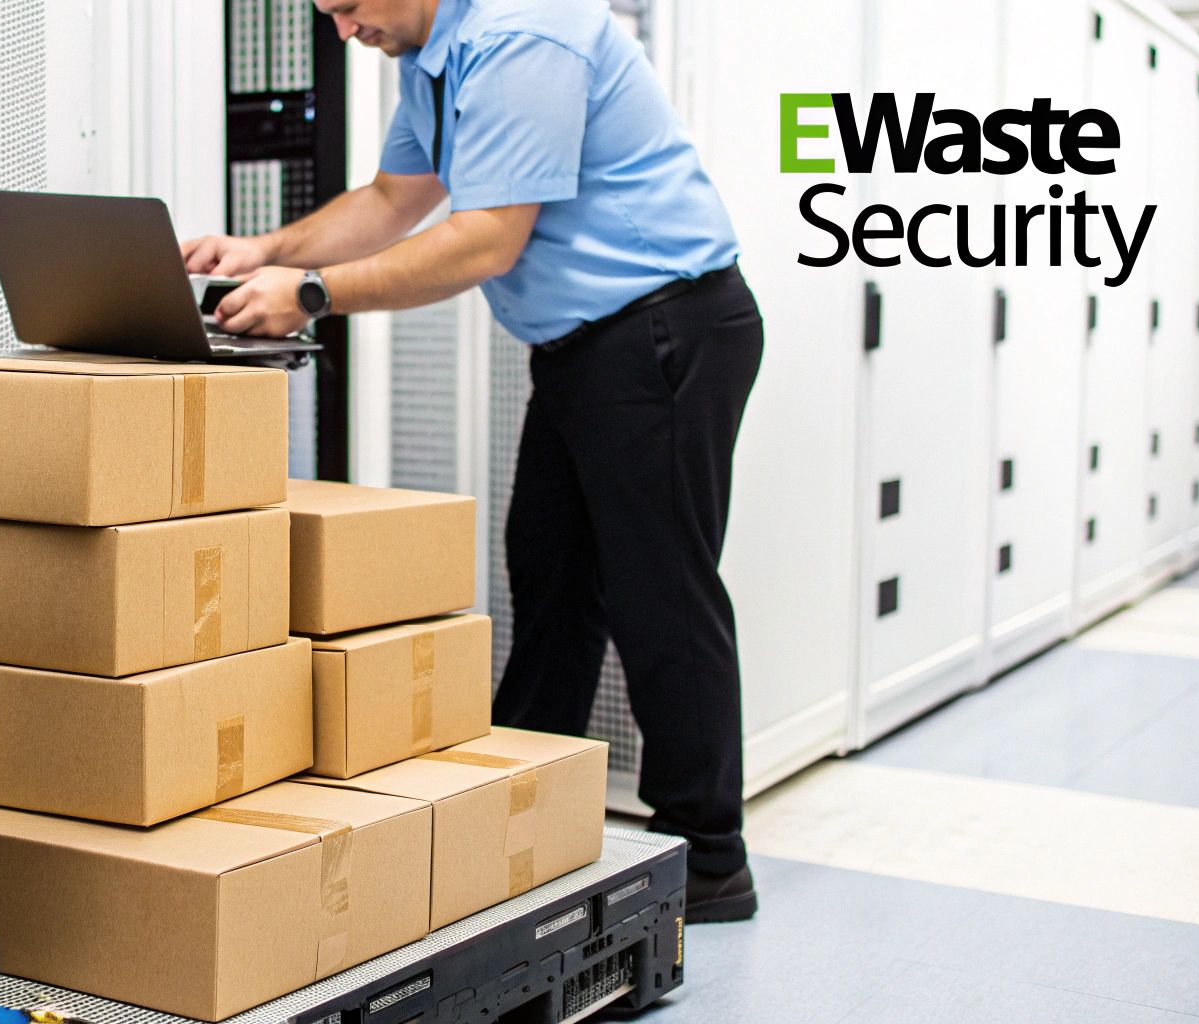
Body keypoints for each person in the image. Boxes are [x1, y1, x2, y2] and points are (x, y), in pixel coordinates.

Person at [180, 0, 763, 923]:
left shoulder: (522, 35)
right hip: (586, 347)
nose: (343, 32)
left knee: (661, 592)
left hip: (663, 329)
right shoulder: (431, 54)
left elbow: (487, 239)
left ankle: (710, 857)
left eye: (350, 7)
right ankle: (527, 808)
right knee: (552, 578)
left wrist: (314, 293)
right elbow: (392, 201)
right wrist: (268, 250)